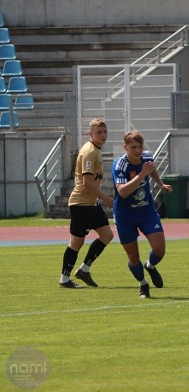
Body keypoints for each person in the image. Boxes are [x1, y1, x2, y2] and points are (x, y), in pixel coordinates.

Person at [112, 131, 173, 299]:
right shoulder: (120, 165)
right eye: (133, 147)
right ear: (125, 148)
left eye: (140, 146)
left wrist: (160, 184)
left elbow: (150, 169)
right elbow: (123, 192)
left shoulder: (146, 157)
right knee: (133, 256)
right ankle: (143, 285)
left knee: (160, 249)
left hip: (146, 211)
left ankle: (151, 266)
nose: (138, 150)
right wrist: (141, 174)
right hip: (125, 215)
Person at [59, 118, 114, 288]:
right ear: (91, 134)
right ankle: (64, 279)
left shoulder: (95, 150)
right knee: (77, 242)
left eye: (105, 131)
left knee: (107, 235)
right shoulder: (90, 152)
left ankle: (84, 270)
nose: (103, 135)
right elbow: (87, 182)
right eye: (99, 132)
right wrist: (105, 198)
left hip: (91, 203)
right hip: (81, 204)